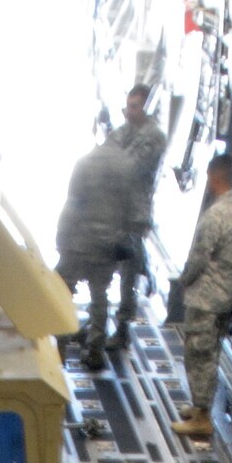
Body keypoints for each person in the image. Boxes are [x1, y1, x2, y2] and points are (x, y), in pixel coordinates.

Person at [172, 153, 232, 444]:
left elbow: (199, 257)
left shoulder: (215, 215)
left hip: (206, 298)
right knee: (210, 351)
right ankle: (200, 406)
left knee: (199, 354)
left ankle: (202, 418)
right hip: (224, 296)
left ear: (215, 177)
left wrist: (184, 280)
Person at [55, 130, 140, 373]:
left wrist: (61, 238)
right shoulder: (129, 168)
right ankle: (95, 350)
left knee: (63, 292)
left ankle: (59, 346)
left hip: (79, 243)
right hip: (107, 247)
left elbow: (72, 203)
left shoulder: (85, 162)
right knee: (100, 296)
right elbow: (133, 211)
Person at [106, 84, 166, 340]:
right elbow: (106, 155)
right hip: (115, 210)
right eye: (127, 106)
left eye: (134, 107)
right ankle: (103, 320)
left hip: (134, 214)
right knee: (108, 268)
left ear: (145, 107)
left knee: (128, 273)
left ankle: (122, 327)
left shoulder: (153, 136)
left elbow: (129, 166)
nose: (128, 112)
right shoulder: (125, 130)